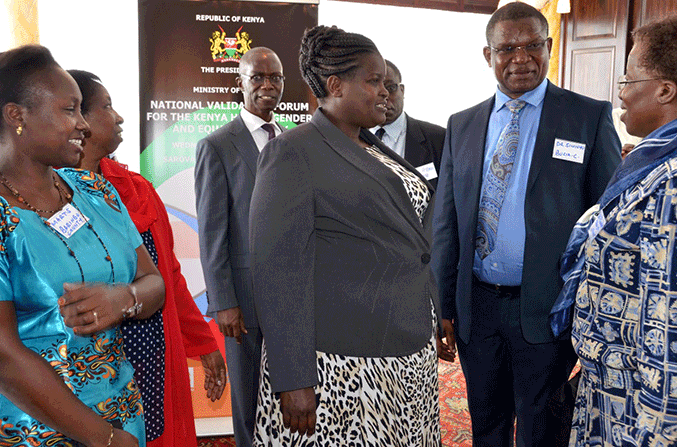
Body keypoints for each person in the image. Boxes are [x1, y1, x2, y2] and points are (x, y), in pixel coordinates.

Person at [432, 3, 622, 446]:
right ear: (487, 55)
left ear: (549, 48)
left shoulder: (587, 117)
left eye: (533, 45)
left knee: (542, 425)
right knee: (487, 421)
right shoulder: (462, 124)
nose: (521, 58)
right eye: (507, 48)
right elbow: (447, 222)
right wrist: (444, 304)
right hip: (477, 308)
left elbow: (605, 219)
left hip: (547, 306)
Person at [249, 25, 441, 446]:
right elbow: (277, 272)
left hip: (404, 349)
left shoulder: (372, 146)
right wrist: (293, 378)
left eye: (386, 83)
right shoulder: (292, 153)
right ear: (335, 85)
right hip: (342, 366)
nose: (385, 93)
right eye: (373, 82)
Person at [0, 45, 166, 447]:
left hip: (121, 413)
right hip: (28, 428)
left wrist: (124, 298)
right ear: (17, 116)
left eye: (82, 110)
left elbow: (155, 283)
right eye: (69, 110)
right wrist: (104, 439)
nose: (83, 125)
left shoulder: (96, 191)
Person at [550, 12, 677, 446]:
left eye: (628, 79)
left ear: (665, 90)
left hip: (644, 416)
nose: (620, 94)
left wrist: (657, 435)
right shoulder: (658, 162)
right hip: (615, 394)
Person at [68, 69, 227, 447]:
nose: (120, 117)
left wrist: (202, 342)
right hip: (89, 365)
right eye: (107, 107)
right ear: (79, 120)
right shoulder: (47, 199)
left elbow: (167, 275)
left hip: (153, 351)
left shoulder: (136, 189)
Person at [194, 46, 284, 447]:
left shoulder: (295, 140)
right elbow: (211, 232)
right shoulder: (217, 145)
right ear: (240, 85)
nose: (268, 85)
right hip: (244, 299)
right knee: (248, 392)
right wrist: (224, 300)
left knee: (293, 385)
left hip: (295, 291)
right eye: (258, 78)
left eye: (276, 78)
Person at [369, 59, 445, 187]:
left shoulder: (439, 139)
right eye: (374, 88)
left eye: (390, 88)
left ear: (402, 90)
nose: (384, 95)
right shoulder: (349, 140)